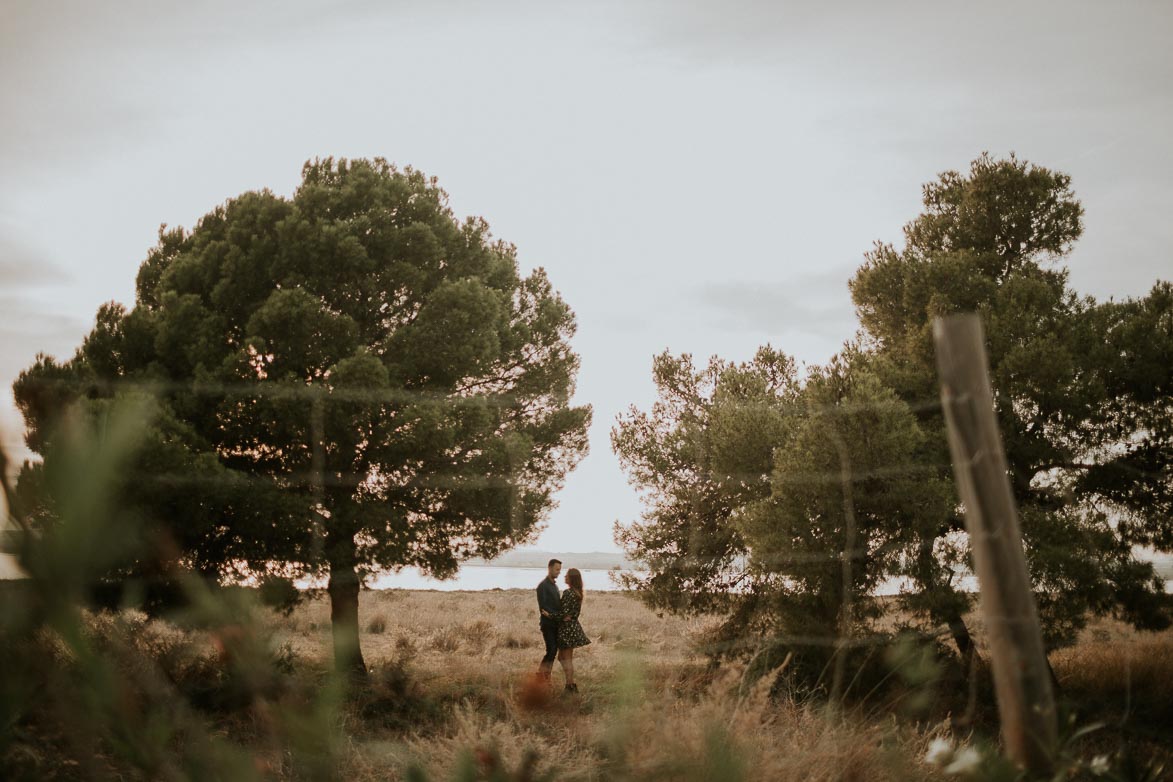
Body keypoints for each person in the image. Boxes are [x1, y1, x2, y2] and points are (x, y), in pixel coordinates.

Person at [556, 567, 590, 693]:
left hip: (567, 629)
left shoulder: (568, 593)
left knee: (566, 658)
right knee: (563, 658)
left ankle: (570, 685)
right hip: (573, 627)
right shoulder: (578, 592)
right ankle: (570, 683)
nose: (564, 577)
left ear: (571, 578)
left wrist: (549, 615)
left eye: (567, 575)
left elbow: (563, 613)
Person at [535, 558, 562, 682]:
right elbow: (543, 607)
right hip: (548, 624)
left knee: (553, 650)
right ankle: (542, 677)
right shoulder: (543, 586)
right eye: (557, 569)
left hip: (555, 624)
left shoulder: (554, 586)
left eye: (559, 570)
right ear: (550, 568)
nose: (558, 572)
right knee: (551, 650)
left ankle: (545, 677)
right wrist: (554, 616)